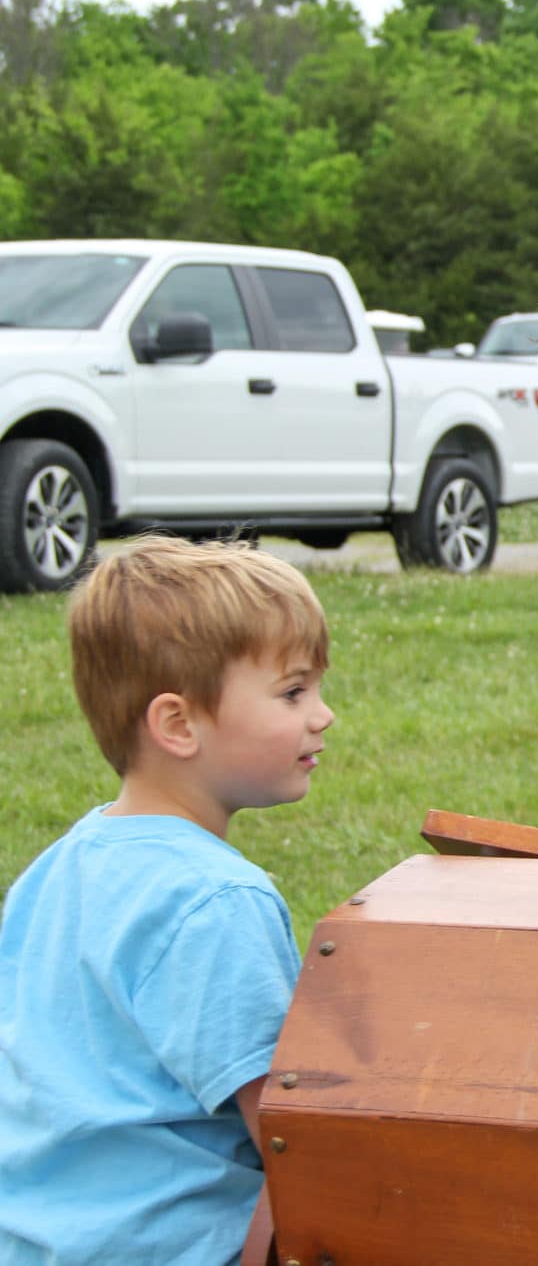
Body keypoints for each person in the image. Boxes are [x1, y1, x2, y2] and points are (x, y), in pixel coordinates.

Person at [0, 538, 333, 1264]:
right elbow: (290, 1137)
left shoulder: (55, 870)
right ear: (178, 724)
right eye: (293, 692)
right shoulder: (217, 900)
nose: (323, 715)